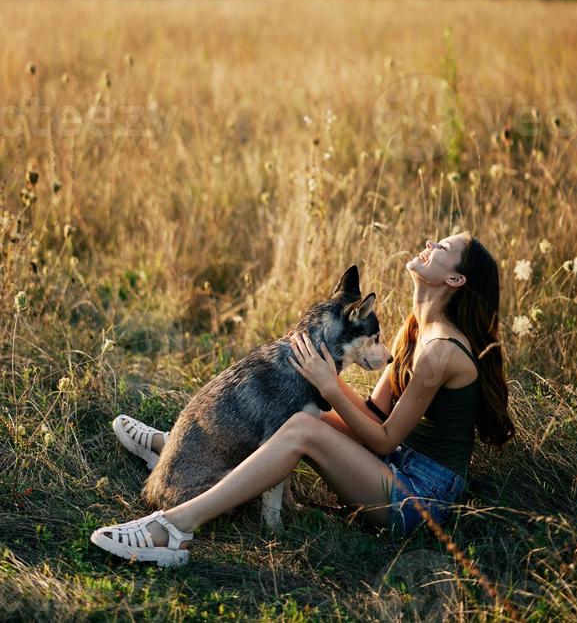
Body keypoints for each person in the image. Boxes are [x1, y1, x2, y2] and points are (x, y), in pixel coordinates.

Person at [91, 232, 515, 564]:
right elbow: (371, 413)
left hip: (418, 497)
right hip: (393, 463)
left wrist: (329, 384)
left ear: (455, 279)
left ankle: (175, 529)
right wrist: (322, 387)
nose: (429, 245)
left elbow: (383, 439)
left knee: (300, 427)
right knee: (294, 410)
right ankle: (182, 444)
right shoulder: (416, 328)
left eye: (442, 247)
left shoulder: (440, 350)